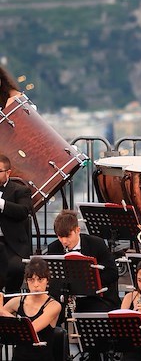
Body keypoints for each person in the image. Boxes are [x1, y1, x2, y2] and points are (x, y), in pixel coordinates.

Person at [47, 209, 120, 312]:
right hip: (66, 299)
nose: (64, 241)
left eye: (68, 236)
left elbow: (112, 273)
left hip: (95, 298)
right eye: (60, 236)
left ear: (77, 230)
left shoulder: (96, 244)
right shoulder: (54, 247)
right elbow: (54, 278)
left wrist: (90, 284)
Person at [0, 257, 61, 361]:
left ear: (47, 281)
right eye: (31, 280)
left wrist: (2, 311)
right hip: (18, 357)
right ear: (26, 281)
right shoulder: (17, 301)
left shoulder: (54, 306)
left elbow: (31, 330)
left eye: (40, 279)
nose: (36, 285)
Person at [0, 154, 32, 293]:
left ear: (8, 172)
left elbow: (23, 211)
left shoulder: (20, 190)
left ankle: (11, 301)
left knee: (15, 268)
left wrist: (1, 203)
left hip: (12, 246)